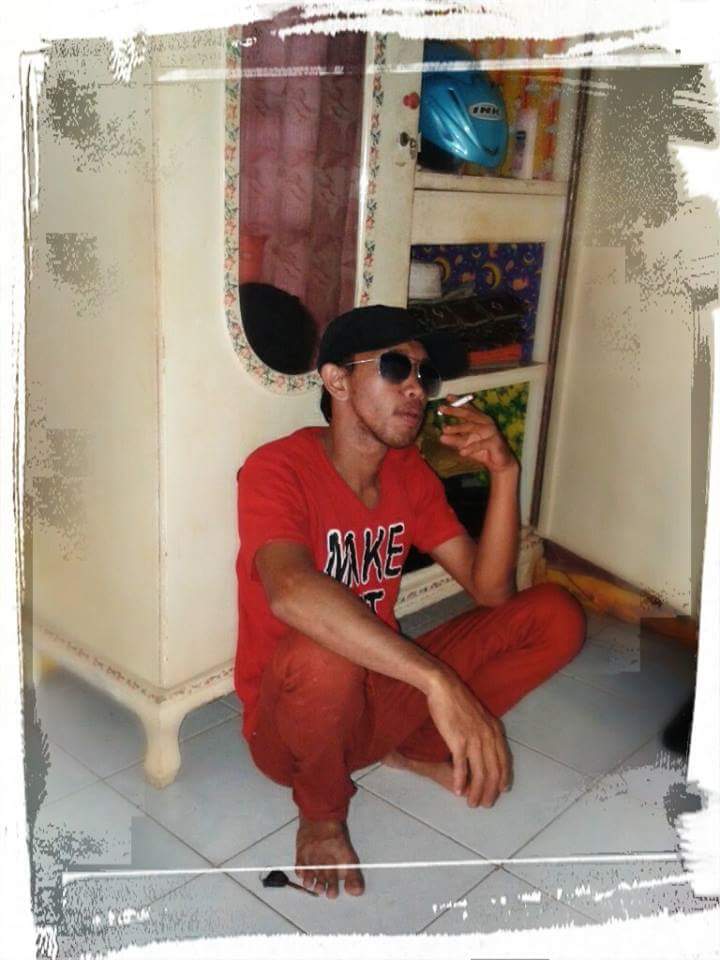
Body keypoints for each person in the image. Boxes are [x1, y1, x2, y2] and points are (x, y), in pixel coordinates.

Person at [234, 305, 585, 900]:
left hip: (377, 696)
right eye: (397, 368)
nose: (417, 388)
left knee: (555, 615)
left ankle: (408, 750)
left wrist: (504, 473)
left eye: (426, 375)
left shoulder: (407, 472)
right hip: (290, 726)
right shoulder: (277, 468)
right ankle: (321, 813)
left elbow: (491, 591)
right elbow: (290, 591)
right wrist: (438, 681)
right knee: (326, 654)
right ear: (337, 380)